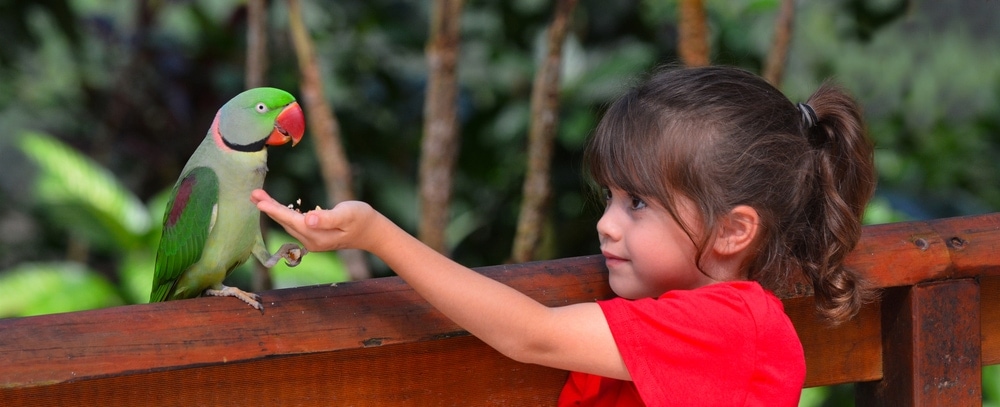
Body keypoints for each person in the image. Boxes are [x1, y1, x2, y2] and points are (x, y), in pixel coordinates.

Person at [251, 65, 876, 406]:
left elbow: (532, 335)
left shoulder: (732, 326)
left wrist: (377, 235)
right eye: (611, 198)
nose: (606, 223)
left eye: (637, 204)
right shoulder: (695, 317)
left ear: (735, 230)